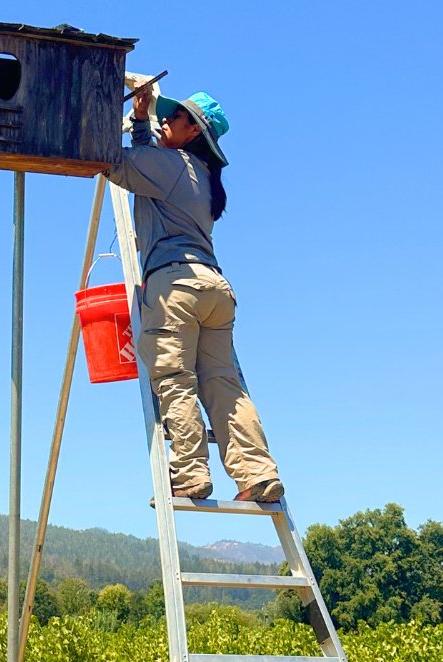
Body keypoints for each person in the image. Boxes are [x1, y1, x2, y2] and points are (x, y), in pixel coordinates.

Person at [106, 86, 284, 503]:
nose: (167, 119)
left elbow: (117, 165)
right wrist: (145, 127)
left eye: (178, 117)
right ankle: (257, 472)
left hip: (176, 285)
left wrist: (135, 121)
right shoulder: (201, 177)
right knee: (225, 386)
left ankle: (188, 474)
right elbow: (150, 167)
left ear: (194, 133)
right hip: (213, 287)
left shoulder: (173, 167)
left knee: (174, 379)